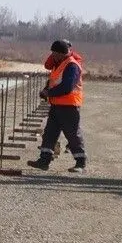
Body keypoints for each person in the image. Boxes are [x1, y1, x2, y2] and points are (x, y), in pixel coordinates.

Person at [29, 39, 87, 172]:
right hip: (56, 104)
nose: (52, 56)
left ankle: (80, 162)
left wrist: (49, 93)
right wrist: (46, 90)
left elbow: (67, 86)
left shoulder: (72, 65)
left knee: (72, 134)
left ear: (62, 53)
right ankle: (44, 161)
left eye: (55, 53)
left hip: (69, 105)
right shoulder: (59, 63)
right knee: (50, 133)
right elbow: (53, 80)